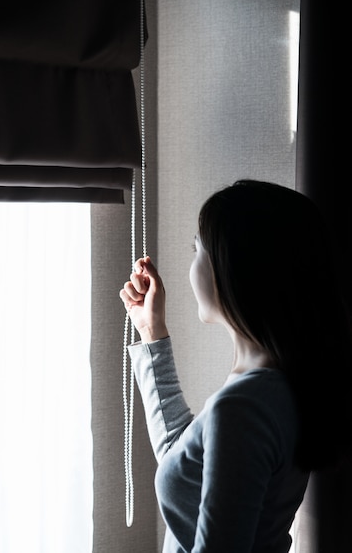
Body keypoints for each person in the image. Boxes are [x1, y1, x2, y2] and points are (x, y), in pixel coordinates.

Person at [119, 179, 352, 553]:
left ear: (234, 268)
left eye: (197, 250)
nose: (189, 266)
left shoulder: (245, 406)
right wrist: (152, 332)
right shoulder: (277, 387)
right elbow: (185, 461)